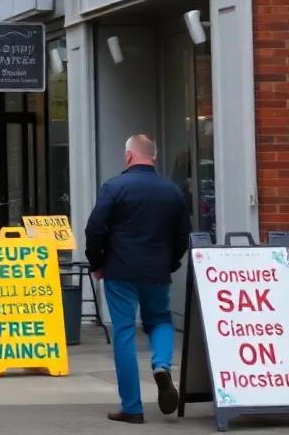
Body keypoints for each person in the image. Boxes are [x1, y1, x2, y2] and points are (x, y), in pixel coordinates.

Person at [86, 134, 191, 424]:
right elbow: (184, 235)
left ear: (129, 156)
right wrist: (169, 263)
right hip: (156, 271)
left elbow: (95, 228)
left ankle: (132, 408)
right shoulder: (172, 191)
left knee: (123, 331)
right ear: (153, 156)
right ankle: (161, 366)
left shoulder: (114, 187)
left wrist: (97, 262)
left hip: (120, 270)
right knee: (160, 321)